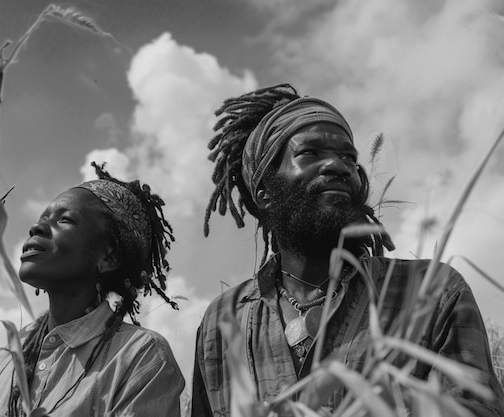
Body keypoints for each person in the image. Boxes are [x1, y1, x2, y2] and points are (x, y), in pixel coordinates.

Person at [191, 84, 504, 416]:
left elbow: (476, 409)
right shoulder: (224, 320)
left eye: (348, 158)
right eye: (309, 153)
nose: (338, 166)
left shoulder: (432, 291)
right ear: (264, 192)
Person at [0, 162, 185, 417]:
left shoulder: (140, 357)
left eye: (65, 219)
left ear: (108, 258)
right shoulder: (8, 360)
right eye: (42, 218)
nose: (37, 227)